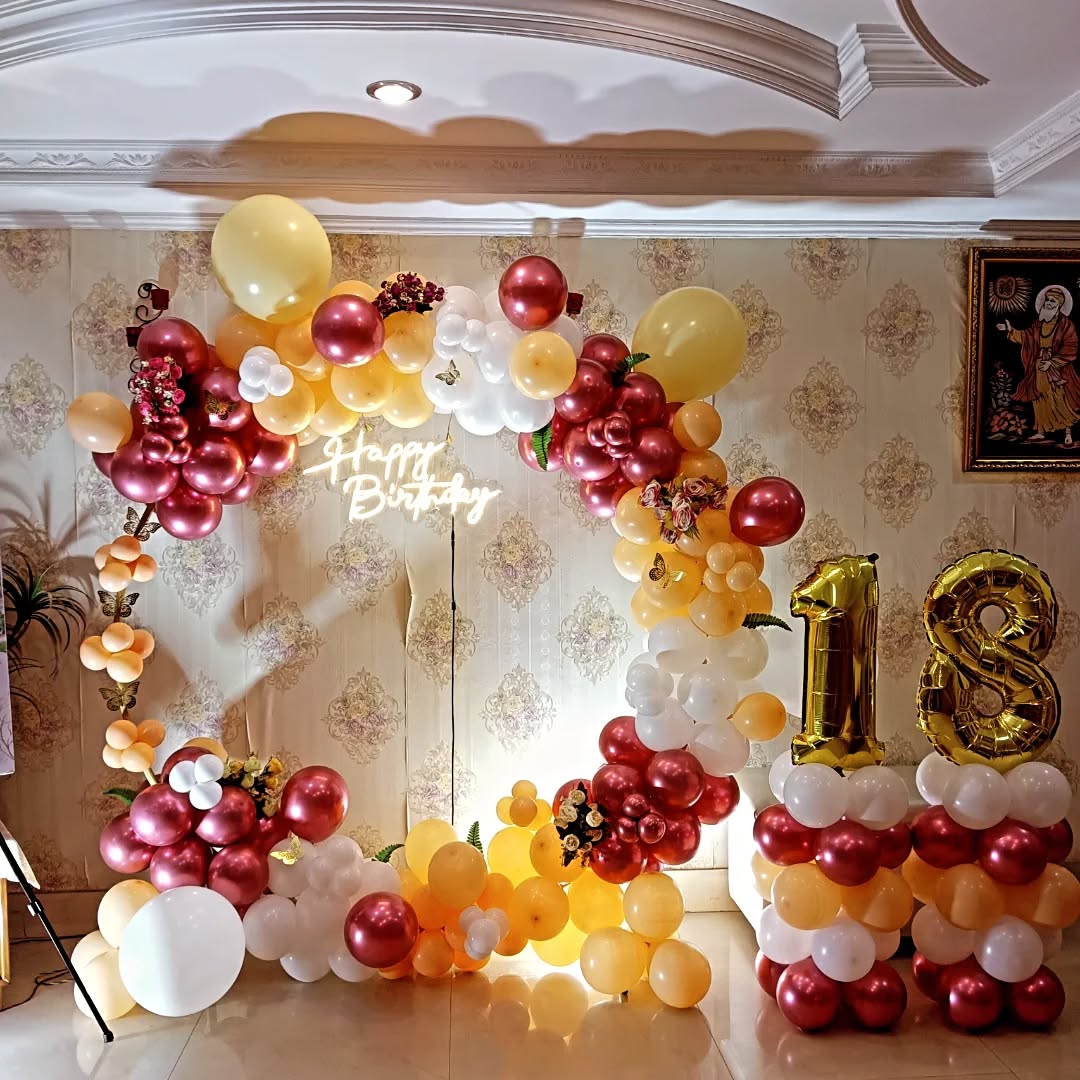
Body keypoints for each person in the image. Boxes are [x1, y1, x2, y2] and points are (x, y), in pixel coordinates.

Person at [997, 285, 1080, 446]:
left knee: (1059, 398)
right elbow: (1027, 337)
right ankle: (1041, 432)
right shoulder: (1039, 323)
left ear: (1059, 304)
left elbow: (1071, 346)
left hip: (1057, 369)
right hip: (1038, 367)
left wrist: (1052, 362)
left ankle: (1068, 432)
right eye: (1046, 300)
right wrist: (1010, 330)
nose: (1047, 303)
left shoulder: (1067, 325)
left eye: (1052, 301)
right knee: (1039, 398)